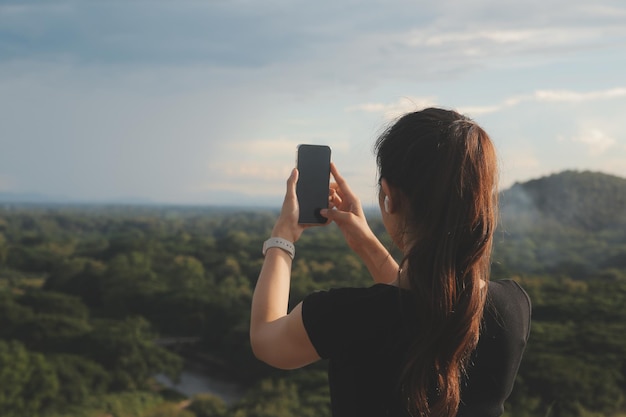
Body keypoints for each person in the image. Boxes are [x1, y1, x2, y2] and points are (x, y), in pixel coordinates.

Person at [250, 107, 531, 417]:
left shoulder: (345, 315)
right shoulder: (513, 307)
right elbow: (421, 302)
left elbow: (266, 340)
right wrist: (365, 243)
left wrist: (282, 239)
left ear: (388, 196)